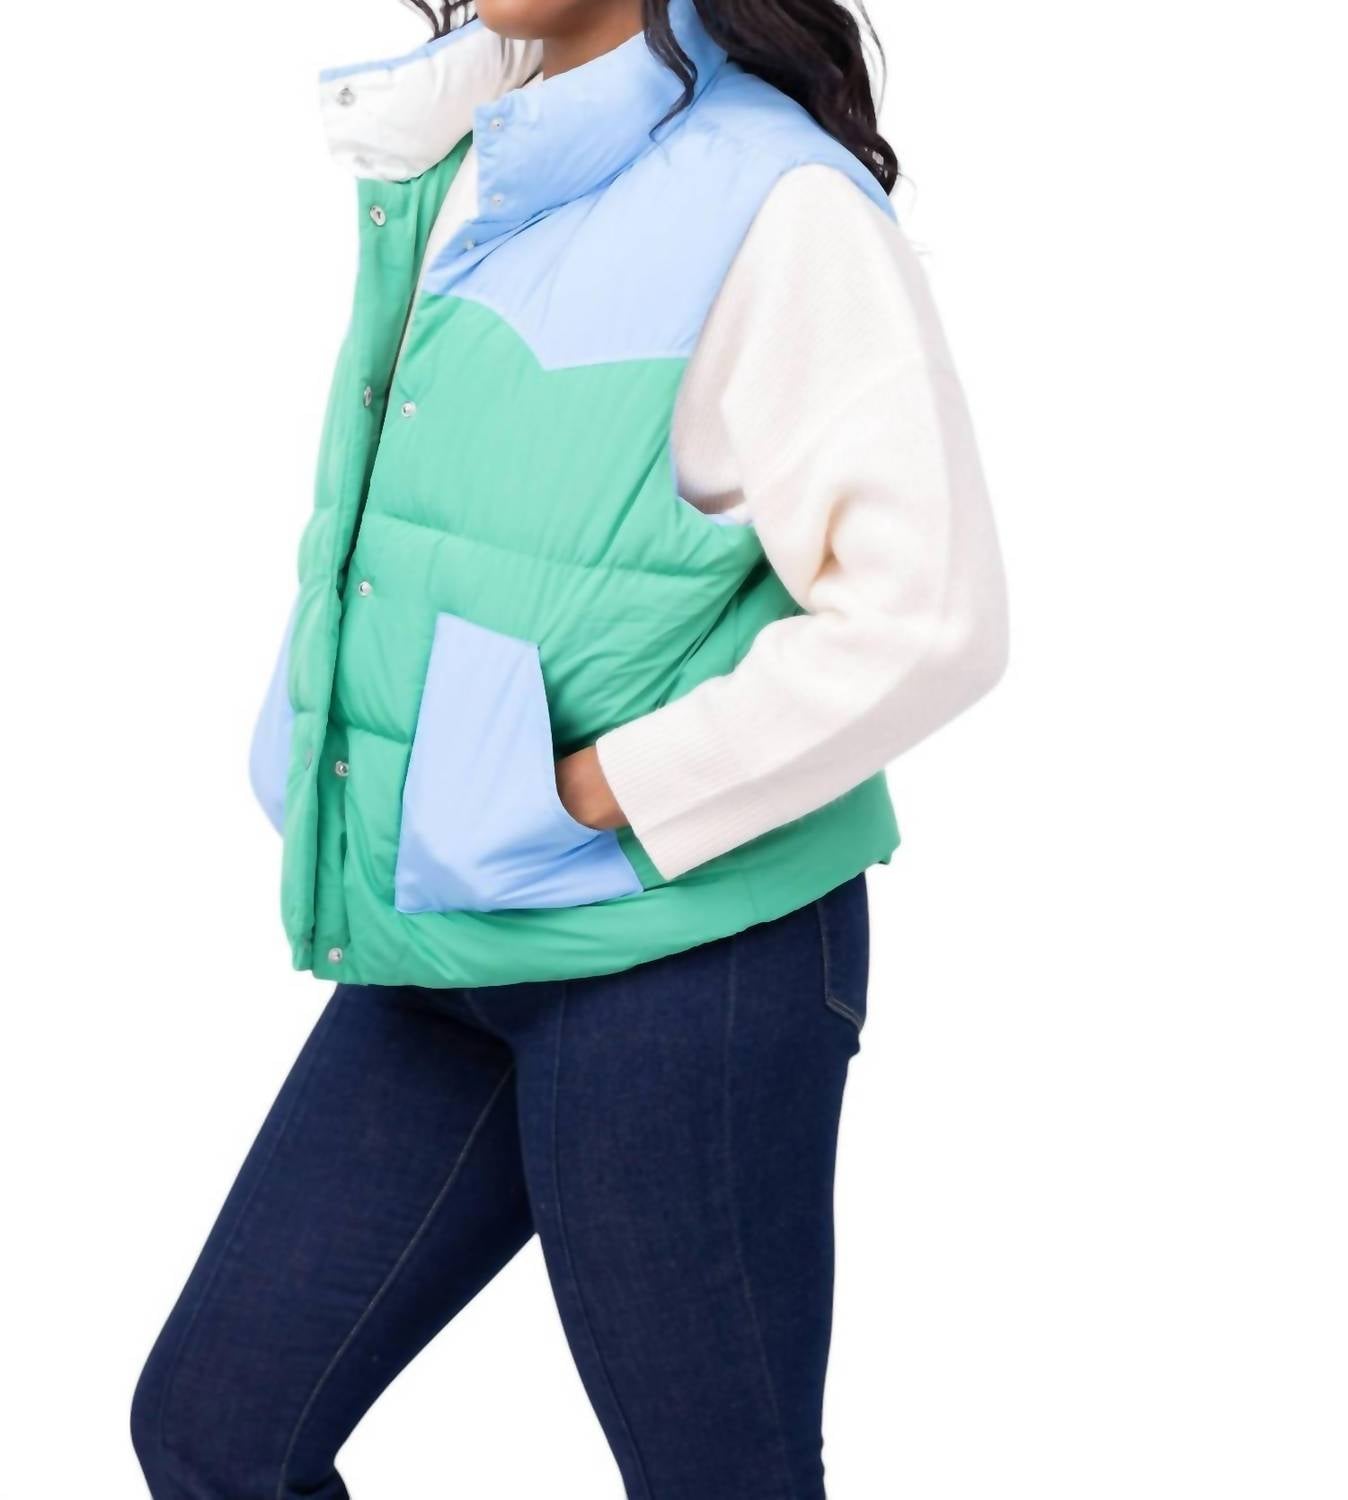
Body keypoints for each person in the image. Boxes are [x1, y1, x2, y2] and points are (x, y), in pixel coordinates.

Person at [131, 0, 1007, 1494]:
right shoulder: (459, 150)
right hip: (449, 923)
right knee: (219, 1429)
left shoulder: (774, 198)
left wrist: (605, 788)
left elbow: (932, 617)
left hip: (684, 962)